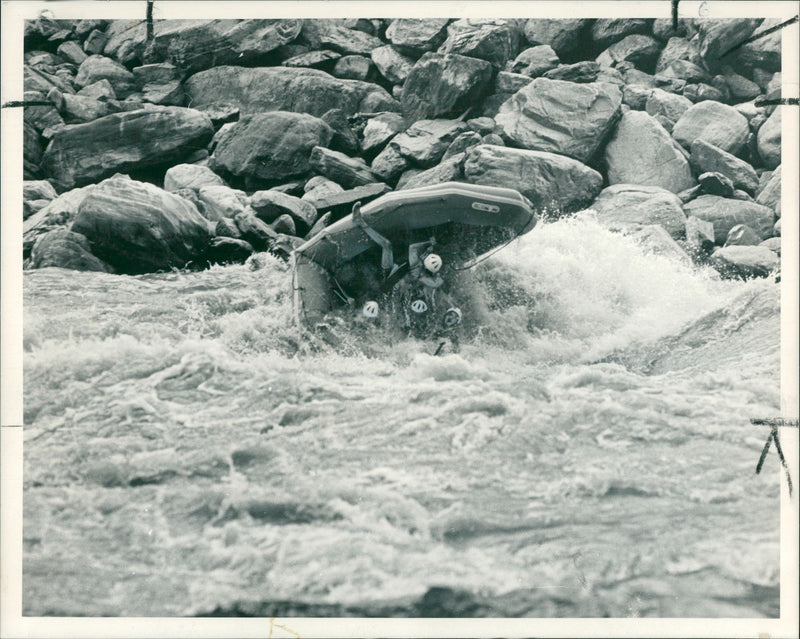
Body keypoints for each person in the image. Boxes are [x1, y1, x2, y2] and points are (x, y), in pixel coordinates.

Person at [352, 201, 461, 329]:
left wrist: (429, 244)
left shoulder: (419, 280)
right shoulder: (431, 283)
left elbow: (413, 251)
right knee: (391, 248)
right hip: (399, 276)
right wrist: (431, 244)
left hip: (389, 277)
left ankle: (360, 222)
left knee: (387, 246)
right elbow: (415, 252)